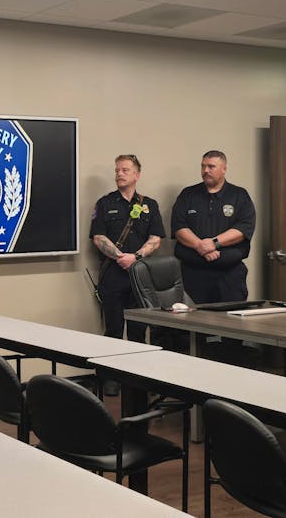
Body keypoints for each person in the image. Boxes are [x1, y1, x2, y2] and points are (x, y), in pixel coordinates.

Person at [90, 155, 165, 395]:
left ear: (136, 175)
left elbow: (156, 239)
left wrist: (137, 257)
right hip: (113, 274)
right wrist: (120, 257)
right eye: (117, 170)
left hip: (141, 275)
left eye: (125, 170)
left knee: (138, 330)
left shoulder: (149, 205)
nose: (119, 174)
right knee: (113, 328)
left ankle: (137, 376)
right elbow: (98, 237)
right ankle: (110, 378)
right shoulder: (104, 203)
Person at [171, 150, 256, 305]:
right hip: (193, 274)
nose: (205, 171)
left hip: (229, 275)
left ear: (224, 169)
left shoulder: (239, 195)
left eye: (211, 166)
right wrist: (199, 246)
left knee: (230, 323)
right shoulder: (188, 194)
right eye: (203, 166)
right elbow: (179, 227)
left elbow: (243, 228)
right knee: (194, 323)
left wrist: (214, 243)